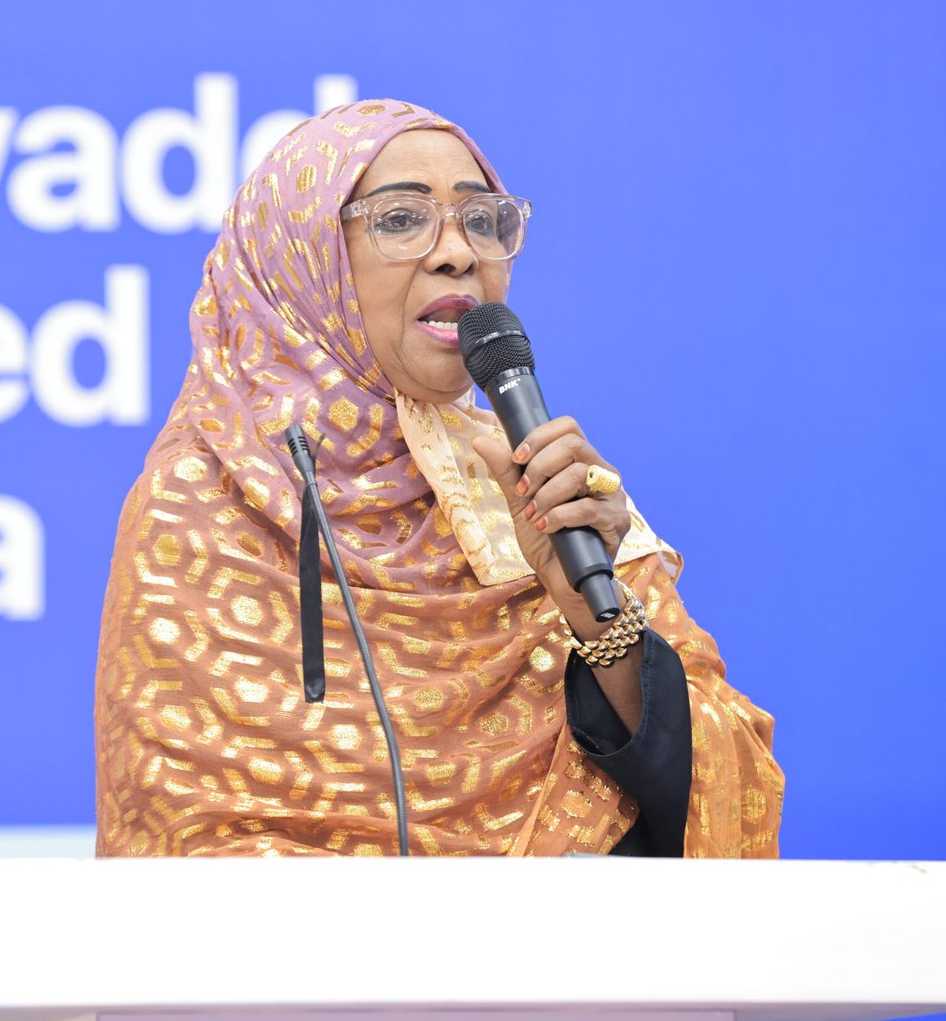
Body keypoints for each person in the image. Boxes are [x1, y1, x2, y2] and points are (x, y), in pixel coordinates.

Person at [95, 100, 783, 857]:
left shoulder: (538, 485)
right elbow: (180, 858)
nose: (459, 253)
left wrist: (597, 618)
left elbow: (728, 787)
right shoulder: (203, 503)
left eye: (482, 221)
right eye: (401, 219)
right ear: (306, 261)